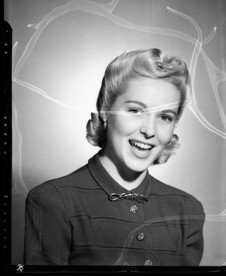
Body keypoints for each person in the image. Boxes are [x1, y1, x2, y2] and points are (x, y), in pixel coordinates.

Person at [24, 48, 205, 266]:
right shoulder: (53, 201)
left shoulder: (187, 210)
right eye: (135, 111)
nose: (149, 130)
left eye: (165, 117)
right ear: (105, 111)